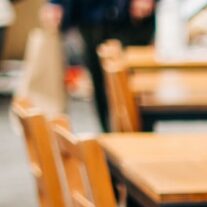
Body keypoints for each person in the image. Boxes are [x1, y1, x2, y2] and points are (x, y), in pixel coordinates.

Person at [42, 0, 155, 131]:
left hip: (131, 16)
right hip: (91, 16)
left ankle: (139, 142)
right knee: (100, 86)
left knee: (138, 91)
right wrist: (56, 2)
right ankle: (110, 138)